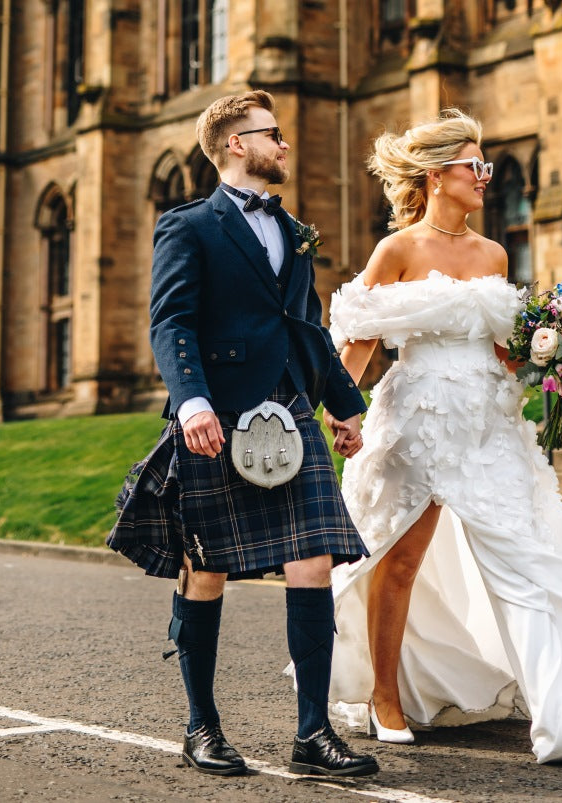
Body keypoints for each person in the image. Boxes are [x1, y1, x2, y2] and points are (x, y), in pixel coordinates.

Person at [323, 110, 562, 763]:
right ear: (436, 175)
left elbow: (504, 350)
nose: (485, 177)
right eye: (475, 166)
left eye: (486, 166)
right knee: (399, 561)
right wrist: (343, 412)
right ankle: (384, 695)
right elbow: (360, 337)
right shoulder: (397, 250)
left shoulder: (494, 253)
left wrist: (557, 350)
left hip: (486, 423)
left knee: (524, 559)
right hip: (417, 417)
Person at [107, 90, 379, 779]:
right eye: (273, 135)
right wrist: (192, 399)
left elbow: (306, 328)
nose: (285, 145)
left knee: (314, 560)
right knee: (208, 569)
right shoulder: (189, 225)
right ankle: (202, 726)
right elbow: (171, 321)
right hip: (218, 417)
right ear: (236, 144)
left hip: (289, 412)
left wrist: (344, 404)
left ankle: (312, 733)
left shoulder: (290, 228)